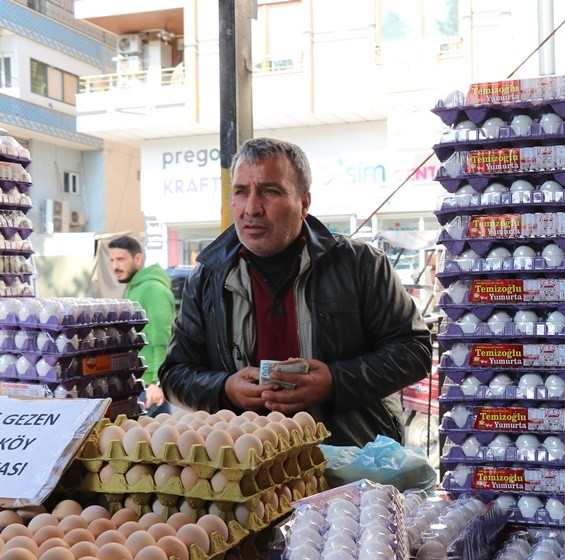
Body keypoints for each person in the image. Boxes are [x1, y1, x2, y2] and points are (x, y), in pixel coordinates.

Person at [158, 137, 432, 447]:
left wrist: (334, 382)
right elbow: (174, 373)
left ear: (303, 203)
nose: (251, 208)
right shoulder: (207, 278)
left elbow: (414, 350)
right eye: (241, 192)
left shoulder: (362, 265)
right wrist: (224, 388)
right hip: (248, 470)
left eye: (269, 191)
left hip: (349, 465)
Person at [109, 236, 176, 416]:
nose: (115, 266)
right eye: (112, 260)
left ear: (137, 259)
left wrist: (158, 382)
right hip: (134, 381)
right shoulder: (132, 287)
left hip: (148, 385)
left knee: (152, 439)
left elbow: (162, 338)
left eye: (121, 259)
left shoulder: (153, 289)